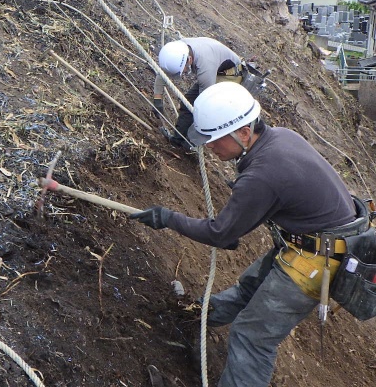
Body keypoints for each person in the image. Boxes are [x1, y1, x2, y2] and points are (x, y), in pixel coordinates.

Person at [131, 82, 369, 387]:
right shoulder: (281, 137)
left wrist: (167, 218)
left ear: (244, 133)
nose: (209, 147)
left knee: (251, 337)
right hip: (320, 241)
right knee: (249, 289)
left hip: (319, 260)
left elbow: (220, 234)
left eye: (215, 140)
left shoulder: (261, 175)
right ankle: (194, 319)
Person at [154, 37, 242, 152]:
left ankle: (190, 144)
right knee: (188, 103)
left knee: (202, 108)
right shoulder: (177, 49)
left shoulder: (205, 68)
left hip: (229, 73)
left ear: (189, 60)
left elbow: (205, 106)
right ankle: (177, 140)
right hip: (214, 62)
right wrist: (157, 100)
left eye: (183, 70)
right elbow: (163, 73)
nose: (184, 73)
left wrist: (194, 138)